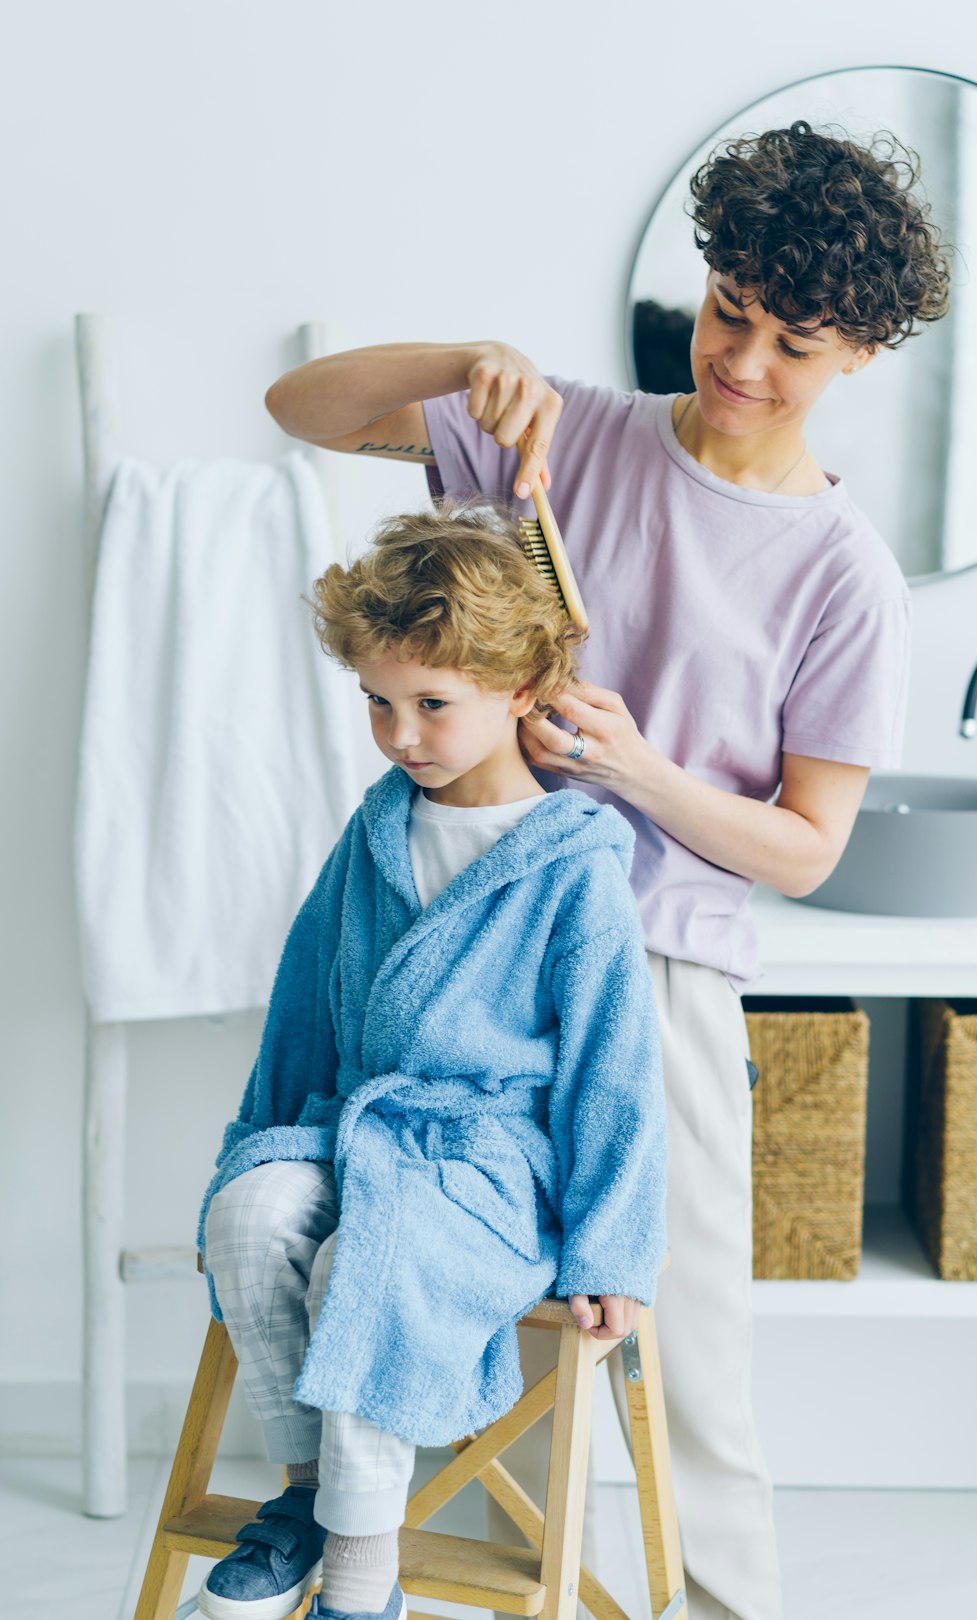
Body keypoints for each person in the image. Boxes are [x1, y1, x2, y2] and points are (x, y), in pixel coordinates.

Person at [263, 122, 951, 1620]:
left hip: (652, 973)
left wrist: (638, 771)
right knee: (444, 1306)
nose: (745, 362)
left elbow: (809, 850)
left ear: (861, 353)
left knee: (685, 1357)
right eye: (728, 312)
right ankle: (438, 1578)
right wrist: (468, 358)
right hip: (467, 949)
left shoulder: (845, 578)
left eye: (792, 340)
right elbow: (297, 404)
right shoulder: (555, 438)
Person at [196, 503, 668, 1620]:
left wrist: (612, 1248)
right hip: (355, 1124)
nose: (401, 733)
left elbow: (614, 1066)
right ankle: (306, 1500)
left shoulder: (574, 866)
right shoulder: (374, 833)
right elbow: (303, 1013)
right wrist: (257, 1145)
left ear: (519, 691)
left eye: (431, 704)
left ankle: (364, 1586)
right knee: (253, 1215)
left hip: (494, 1166)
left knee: (371, 1260)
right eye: (377, 702)